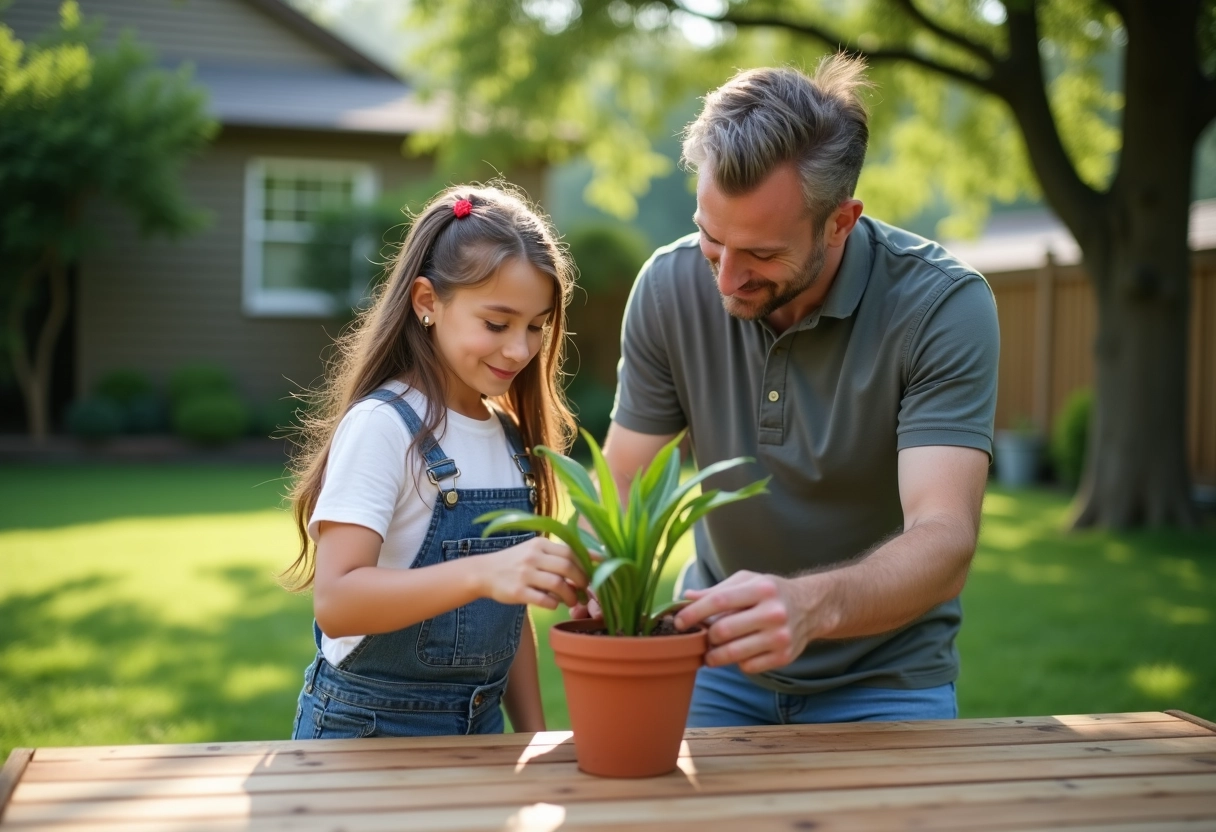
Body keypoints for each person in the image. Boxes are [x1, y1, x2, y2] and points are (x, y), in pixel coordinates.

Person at [598, 55, 1000, 726]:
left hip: (886, 677)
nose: (726, 280)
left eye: (760, 255)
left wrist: (813, 605)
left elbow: (945, 536)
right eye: (711, 238)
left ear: (840, 222)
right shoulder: (668, 288)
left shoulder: (943, 307)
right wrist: (588, 572)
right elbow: (620, 487)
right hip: (713, 662)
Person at [282, 184, 587, 739]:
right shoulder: (383, 426)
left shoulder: (512, 440)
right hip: (367, 733)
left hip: (483, 729)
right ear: (428, 302)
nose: (520, 349)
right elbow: (337, 600)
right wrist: (484, 571)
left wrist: (532, 735)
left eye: (536, 325)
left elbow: (508, 619)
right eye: (497, 324)